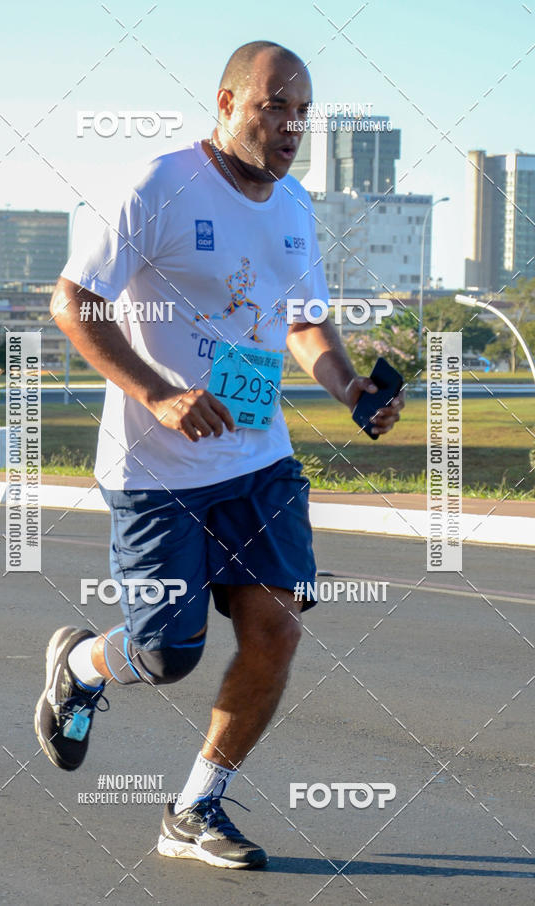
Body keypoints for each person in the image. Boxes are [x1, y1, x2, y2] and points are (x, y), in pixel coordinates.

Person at [34, 39, 404, 870]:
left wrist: (351, 390)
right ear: (228, 102)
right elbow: (73, 302)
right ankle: (85, 661)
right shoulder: (157, 187)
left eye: (303, 111)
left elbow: (304, 320)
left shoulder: (295, 206)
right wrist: (159, 393)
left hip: (258, 459)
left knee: (275, 628)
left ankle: (196, 806)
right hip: (157, 470)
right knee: (167, 653)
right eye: (275, 105)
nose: (291, 125)